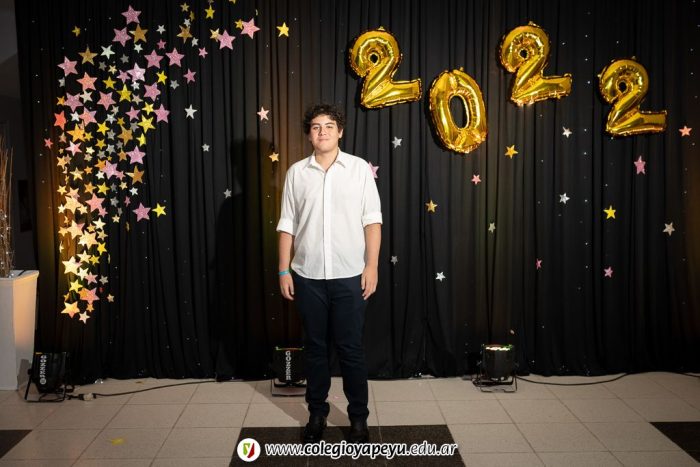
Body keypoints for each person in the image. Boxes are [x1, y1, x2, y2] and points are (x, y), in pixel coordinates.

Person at [276, 103, 382, 444]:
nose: (322, 132)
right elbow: (287, 225)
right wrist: (283, 270)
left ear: (340, 132)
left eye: (329, 126)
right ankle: (317, 415)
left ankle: (358, 419)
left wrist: (371, 265)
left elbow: (372, 221)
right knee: (315, 349)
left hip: (350, 276)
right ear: (309, 134)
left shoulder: (359, 169)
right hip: (307, 277)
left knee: (351, 349)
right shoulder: (296, 173)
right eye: (316, 127)